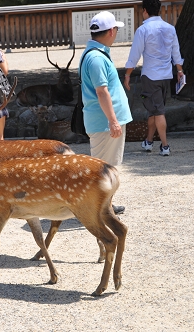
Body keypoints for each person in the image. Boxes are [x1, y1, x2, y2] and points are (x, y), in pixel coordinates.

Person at [79, 11, 133, 215]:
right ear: (111, 31)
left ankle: (105, 205)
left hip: (104, 121)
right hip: (104, 122)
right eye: (116, 29)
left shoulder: (95, 55)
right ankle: (99, 209)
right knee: (102, 169)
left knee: (107, 166)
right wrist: (113, 121)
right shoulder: (96, 58)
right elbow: (102, 92)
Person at [124, 0, 184, 156]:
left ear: (145, 11)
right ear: (159, 10)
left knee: (158, 112)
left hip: (150, 77)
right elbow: (176, 52)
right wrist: (179, 70)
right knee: (154, 110)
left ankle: (165, 146)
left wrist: (128, 74)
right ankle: (148, 141)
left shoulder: (143, 30)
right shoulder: (170, 29)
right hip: (166, 76)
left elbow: (134, 55)